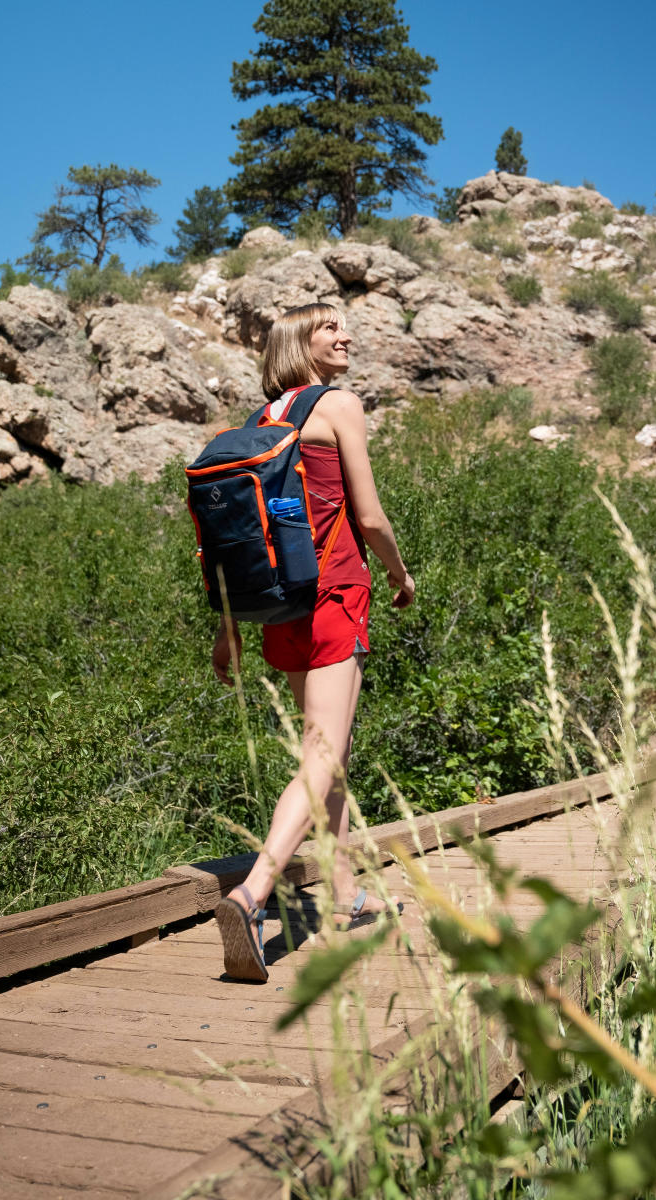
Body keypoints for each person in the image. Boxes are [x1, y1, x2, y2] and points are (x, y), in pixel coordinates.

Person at [212, 303, 415, 982]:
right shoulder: (339, 405)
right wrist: (400, 572)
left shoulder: (261, 424)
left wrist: (227, 630)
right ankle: (254, 891)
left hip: (278, 607)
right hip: (333, 594)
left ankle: (345, 894)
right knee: (323, 753)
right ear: (300, 343)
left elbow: (237, 541)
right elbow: (369, 515)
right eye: (331, 329)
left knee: (328, 753)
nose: (346, 336)